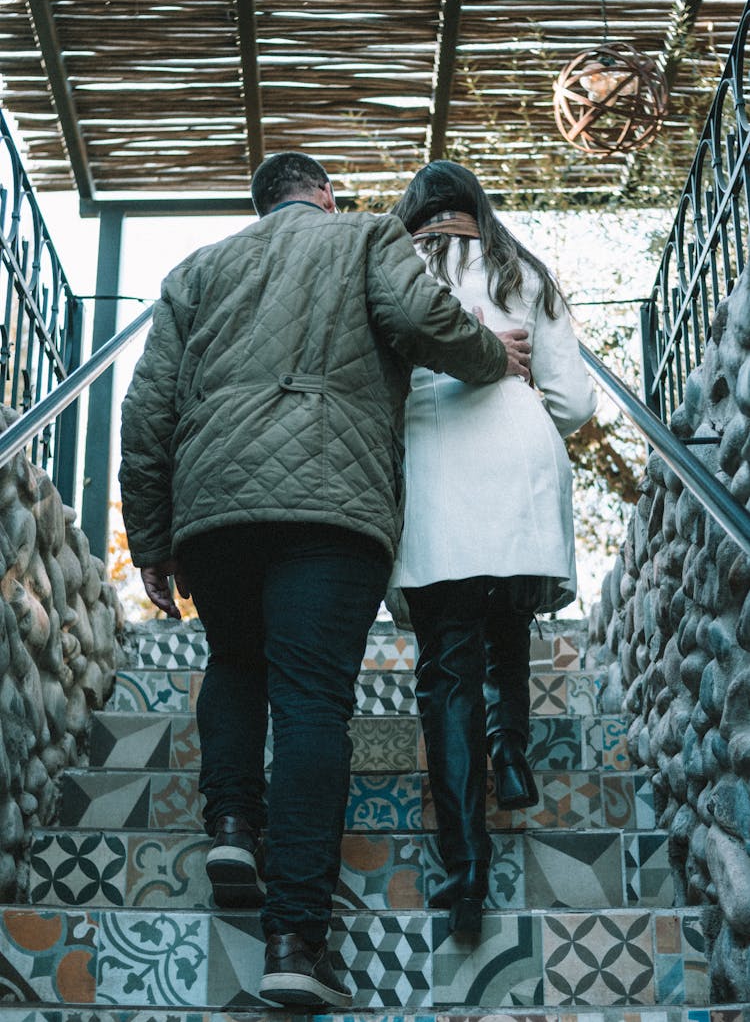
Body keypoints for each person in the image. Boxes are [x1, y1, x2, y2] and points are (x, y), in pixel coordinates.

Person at [118, 151, 530, 1009]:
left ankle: (231, 822)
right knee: (312, 702)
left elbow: (146, 409)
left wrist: (152, 539)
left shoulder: (195, 270)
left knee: (234, 660)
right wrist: (496, 357)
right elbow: (423, 317)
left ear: (261, 203)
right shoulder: (366, 235)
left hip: (216, 503)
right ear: (325, 194)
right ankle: (294, 938)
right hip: (331, 506)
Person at [388, 160, 597, 938]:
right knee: (507, 620)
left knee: (447, 672)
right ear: (478, 208)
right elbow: (573, 399)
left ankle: (466, 873)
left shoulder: (393, 265)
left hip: (435, 468)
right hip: (520, 463)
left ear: (414, 212)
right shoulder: (524, 270)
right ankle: (512, 755)